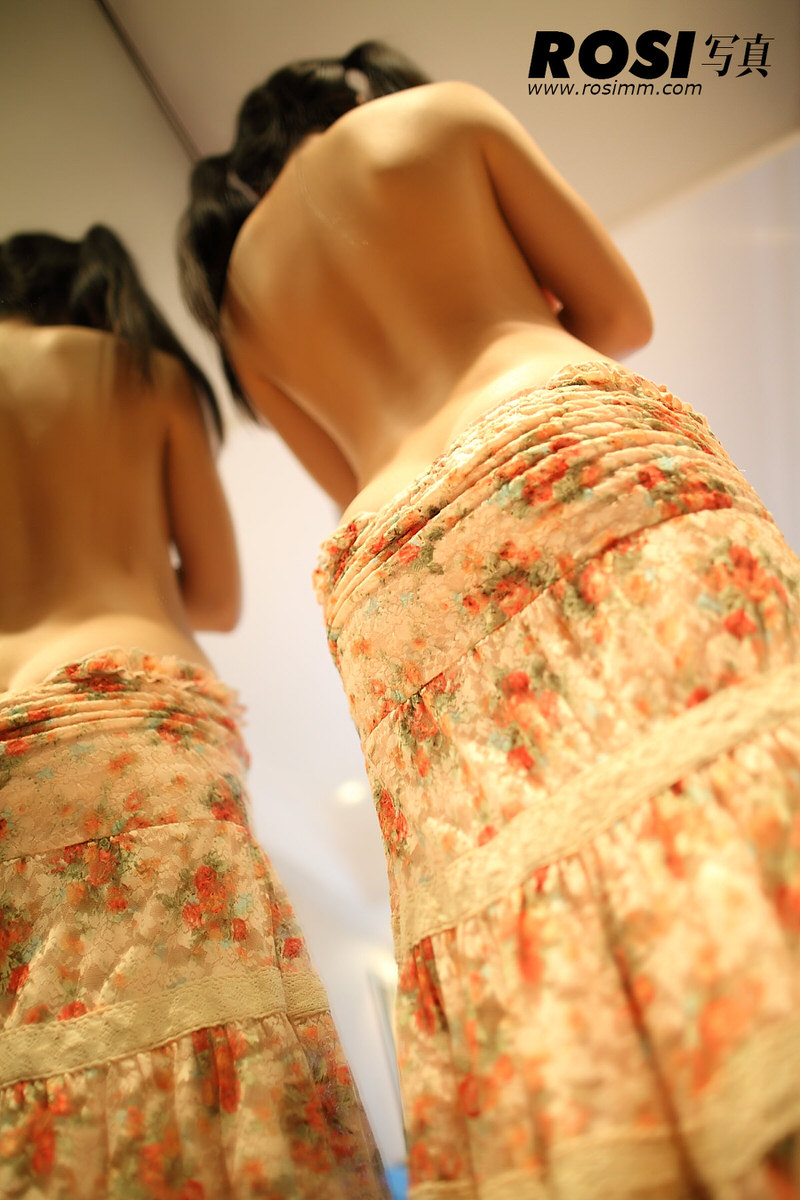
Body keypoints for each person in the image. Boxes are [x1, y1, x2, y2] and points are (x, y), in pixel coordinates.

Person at [179, 40, 800, 1199]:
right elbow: (618, 313)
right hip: (554, 439)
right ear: (345, 93)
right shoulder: (435, 118)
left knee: (510, 880)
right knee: (719, 749)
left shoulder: (242, 298)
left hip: (392, 561)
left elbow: (340, 478)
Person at [0, 226, 388, 1198]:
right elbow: (215, 597)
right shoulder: (140, 373)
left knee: (41, 1043)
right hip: (136, 709)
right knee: (209, 1018)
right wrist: (121, 556)